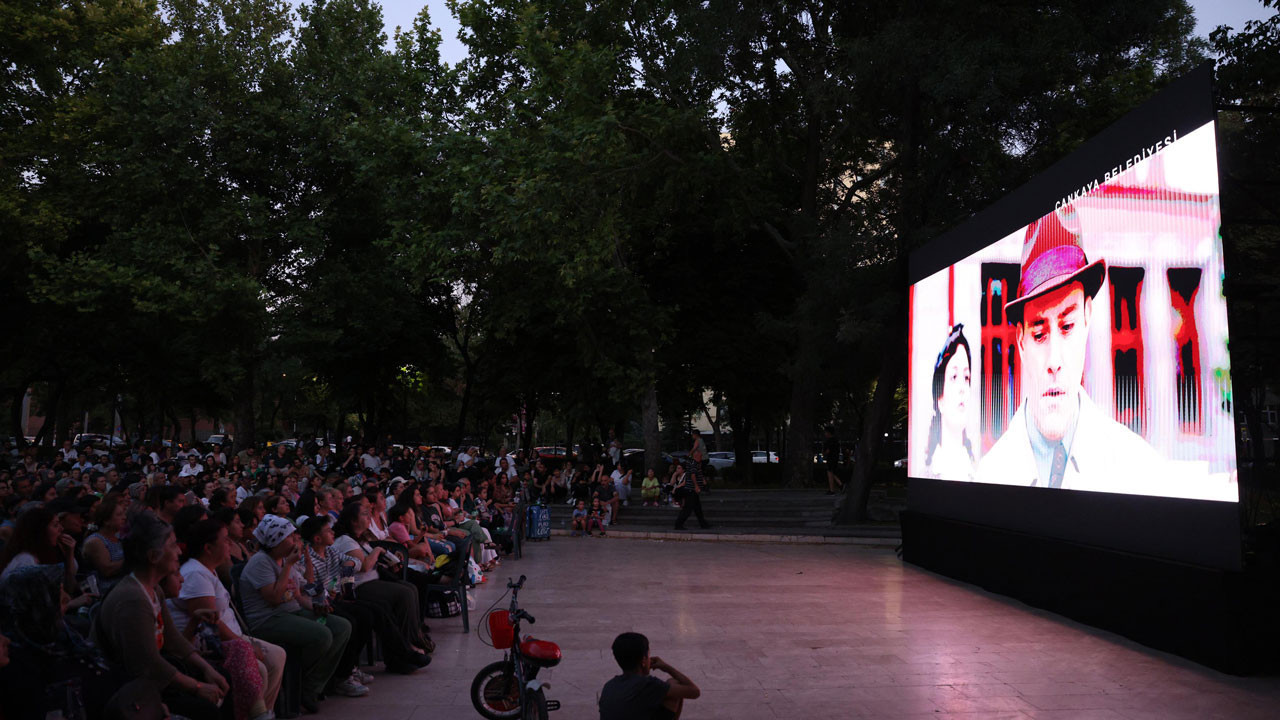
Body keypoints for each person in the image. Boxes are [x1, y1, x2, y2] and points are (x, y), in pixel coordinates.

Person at [976, 210, 1160, 491]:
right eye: (1039, 334)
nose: (1054, 361)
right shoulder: (987, 478)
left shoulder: (1139, 470)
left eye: (1067, 326)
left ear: (1087, 317)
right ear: (1021, 340)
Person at [93, 511, 229, 720]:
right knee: (205, 710)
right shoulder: (132, 599)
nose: (179, 552)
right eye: (173, 545)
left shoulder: (154, 590)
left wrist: (205, 668)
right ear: (153, 556)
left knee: (222, 676)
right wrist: (197, 686)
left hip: (150, 680)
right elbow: (146, 663)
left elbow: (173, 639)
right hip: (128, 691)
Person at [238, 514, 360, 713]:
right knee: (322, 636)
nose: (296, 540)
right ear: (276, 541)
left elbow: (298, 594)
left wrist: (315, 606)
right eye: (291, 537)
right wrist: (287, 566)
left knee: (342, 627)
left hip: (292, 612)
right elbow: (275, 599)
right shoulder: (261, 562)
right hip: (268, 620)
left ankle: (310, 686)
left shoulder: (286, 559)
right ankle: (302, 684)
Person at [170, 519, 285, 720]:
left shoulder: (207, 569)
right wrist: (245, 645)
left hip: (232, 638)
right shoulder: (195, 574)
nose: (229, 544)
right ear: (208, 548)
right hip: (211, 645)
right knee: (260, 669)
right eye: (224, 540)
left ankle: (264, 712)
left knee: (277, 655)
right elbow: (210, 624)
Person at [599, 632, 699, 720]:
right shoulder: (647, 684)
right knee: (675, 684)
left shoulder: (609, 685)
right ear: (643, 660)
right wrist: (666, 667)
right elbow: (694, 691)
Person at [925, 325, 977, 480]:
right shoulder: (926, 475)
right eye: (954, 377)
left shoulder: (980, 474)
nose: (962, 388)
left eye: (966, 377)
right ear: (939, 398)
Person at [671, 461, 710, 530]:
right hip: (690, 491)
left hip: (692, 491)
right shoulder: (692, 470)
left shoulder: (693, 470)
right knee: (688, 509)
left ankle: (703, 524)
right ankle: (678, 524)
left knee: (697, 509)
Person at [823, 427, 844, 494]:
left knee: (830, 473)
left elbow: (828, 451)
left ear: (828, 433)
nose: (825, 433)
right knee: (832, 473)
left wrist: (824, 454)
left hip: (831, 458)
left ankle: (833, 489)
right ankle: (839, 486)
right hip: (835, 458)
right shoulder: (836, 440)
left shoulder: (829, 441)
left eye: (826, 432)